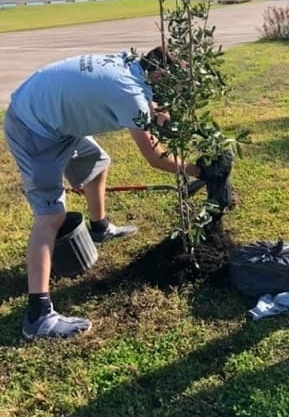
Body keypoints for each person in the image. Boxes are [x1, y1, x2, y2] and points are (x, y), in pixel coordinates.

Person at [4, 46, 205, 340]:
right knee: (50, 217)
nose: (174, 91)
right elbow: (155, 158)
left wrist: (157, 109)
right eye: (172, 83)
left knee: (97, 163)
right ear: (159, 73)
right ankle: (38, 316)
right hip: (33, 128)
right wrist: (199, 171)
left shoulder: (130, 62)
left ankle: (99, 227)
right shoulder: (130, 93)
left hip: (55, 118)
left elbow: (133, 96)